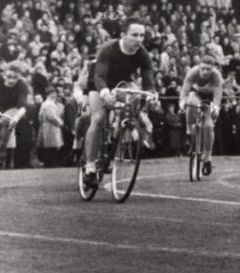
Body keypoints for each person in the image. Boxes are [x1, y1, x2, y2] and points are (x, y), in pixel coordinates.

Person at [82, 18, 157, 189]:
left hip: (122, 83)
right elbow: (99, 76)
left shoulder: (142, 53)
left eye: (142, 35)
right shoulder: (109, 49)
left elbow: (148, 78)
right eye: (134, 35)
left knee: (136, 96)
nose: (139, 39)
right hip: (99, 83)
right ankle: (90, 167)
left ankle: (117, 136)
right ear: (124, 34)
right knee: (99, 118)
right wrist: (104, 92)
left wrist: (151, 93)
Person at [179, 56, 223, 175]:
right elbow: (185, 88)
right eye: (202, 69)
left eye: (208, 69)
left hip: (209, 99)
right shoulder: (193, 72)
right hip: (196, 95)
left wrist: (216, 107)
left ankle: (208, 158)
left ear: (213, 69)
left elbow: (218, 94)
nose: (205, 72)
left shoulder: (217, 76)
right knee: (189, 102)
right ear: (199, 67)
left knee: (208, 126)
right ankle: (189, 132)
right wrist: (182, 102)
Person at [37, 88, 64, 167]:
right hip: (51, 127)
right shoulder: (49, 104)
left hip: (47, 126)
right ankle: (50, 164)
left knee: (50, 147)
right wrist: (60, 123)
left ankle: (49, 163)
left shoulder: (45, 103)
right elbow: (51, 117)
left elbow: (40, 117)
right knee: (51, 148)